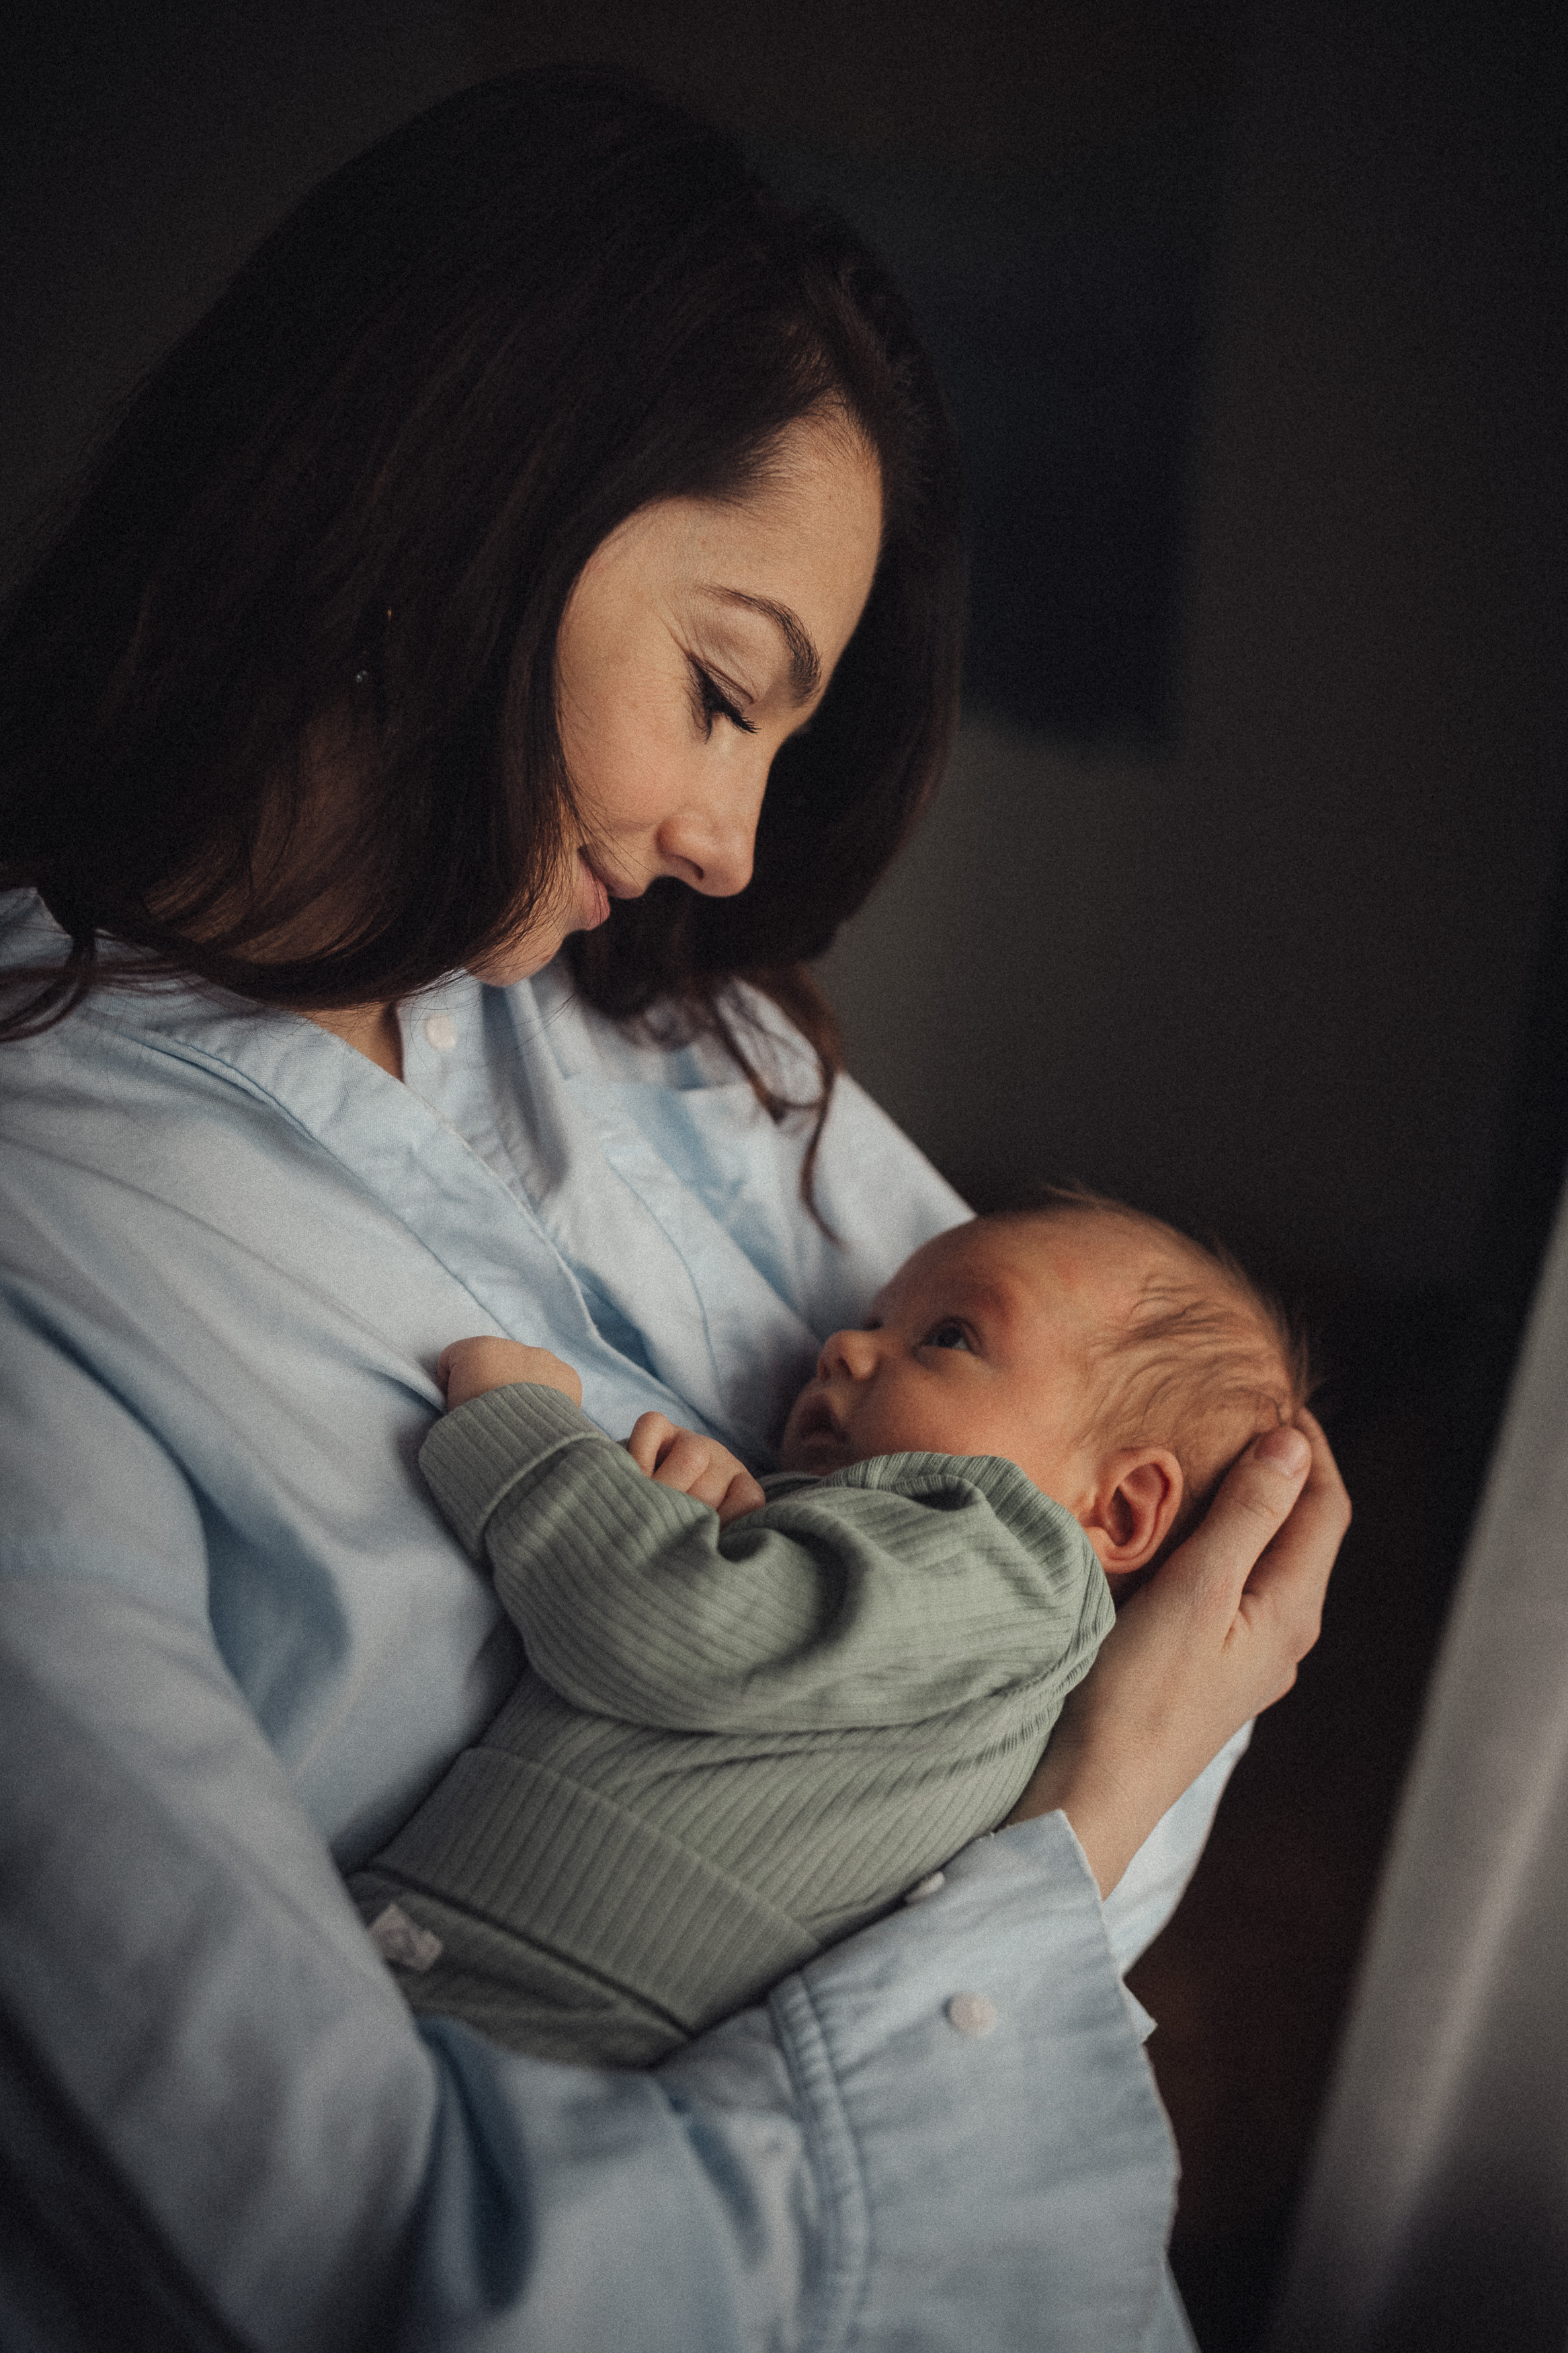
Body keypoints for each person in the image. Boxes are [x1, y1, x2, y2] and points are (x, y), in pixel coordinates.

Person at [0, 63, 1348, 2353]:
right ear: (453, 505)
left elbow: (1188, 1558)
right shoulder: (61, 1218)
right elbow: (378, 2259)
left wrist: (1083, 1811)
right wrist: (1065, 1823)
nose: (731, 843)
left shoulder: (681, 1046)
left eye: (775, 744)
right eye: (724, 693)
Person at [350, 1197, 1311, 2066]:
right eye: (869, 1322)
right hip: (516, 1984)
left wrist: (529, 1438)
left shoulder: (1017, 1556)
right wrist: (728, 1529)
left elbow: (678, 1630)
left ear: (1118, 1509)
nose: (843, 1349)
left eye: (946, 1335)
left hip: (545, 1998)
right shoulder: (938, 1598)